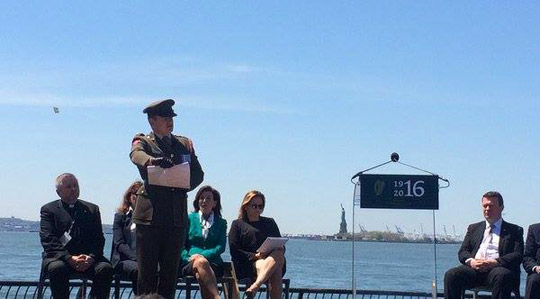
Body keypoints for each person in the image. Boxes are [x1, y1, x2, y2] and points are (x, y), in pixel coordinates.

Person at [130, 99, 204, 298]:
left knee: (170, 275)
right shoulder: (143, 141)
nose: (170, 121)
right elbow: (136, 155)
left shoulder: (184, 143)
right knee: (147, 275)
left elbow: (198, 175)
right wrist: (153, 162)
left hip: (175, 217)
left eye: (171, 117)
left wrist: (180, 182)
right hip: (150, 217)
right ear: (152, 121)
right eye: (164, 118)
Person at [39, 173, 113, 298]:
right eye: (69, 186)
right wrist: (69, 258)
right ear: (59, 192)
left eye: (75, 185)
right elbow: (48, 239)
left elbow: (99, 239)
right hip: (59, 258)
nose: (73, 189)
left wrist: (91, 257)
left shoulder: (92, 209)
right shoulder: (49, 209)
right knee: (57, 269)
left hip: (87, 259)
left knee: (105, 268)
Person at [444, 191, 523, 299]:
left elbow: (517, 255)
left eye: (491, 206)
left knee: (502, 275)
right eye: (485, 206)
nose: (487, 209)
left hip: (498, 269)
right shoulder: (473, 228)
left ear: (501, 207)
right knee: (451, 275)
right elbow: (463, 252)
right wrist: (471, 261)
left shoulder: (514, 230)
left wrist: (495, 262)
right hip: (474, 270)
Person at [229, 190, 286, 299]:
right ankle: (257, 286)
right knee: (275, 270)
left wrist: (277, 249)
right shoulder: (238, 224)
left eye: (260, 206)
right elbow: (234, 250)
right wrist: (256, 256)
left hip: (271, 257)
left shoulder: (270, 223)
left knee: (279, 253)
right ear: (246, 206)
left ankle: (255, 286)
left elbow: (280, 243)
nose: (258, 209)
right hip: (248, 264)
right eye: (254, 206)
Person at [179, 185, 227, 299]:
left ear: (215, 203)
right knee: (200, 263)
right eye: (202, 198)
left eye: (208, 198)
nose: (204, 201)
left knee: (200, 273)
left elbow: (221, 247)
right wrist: (188, 257)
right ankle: (217, 297)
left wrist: (202, 256)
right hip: (190, 262)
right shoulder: (189, 219)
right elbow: (180, 244)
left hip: (213, 263)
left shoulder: (221, 223)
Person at [111, 180, 143, 295]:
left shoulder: (149, 218)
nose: (139, 199)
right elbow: (119, 243)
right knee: (138, 270)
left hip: (143, 259)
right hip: (124, 260)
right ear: (130, 197)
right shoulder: (120, 217)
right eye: (136, 196)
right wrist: (135, 258)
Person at [523, 223, 540, 299]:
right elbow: (527, 257)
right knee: (534, 280)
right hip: (538, 272)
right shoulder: (534, 229)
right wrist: (536, 268)